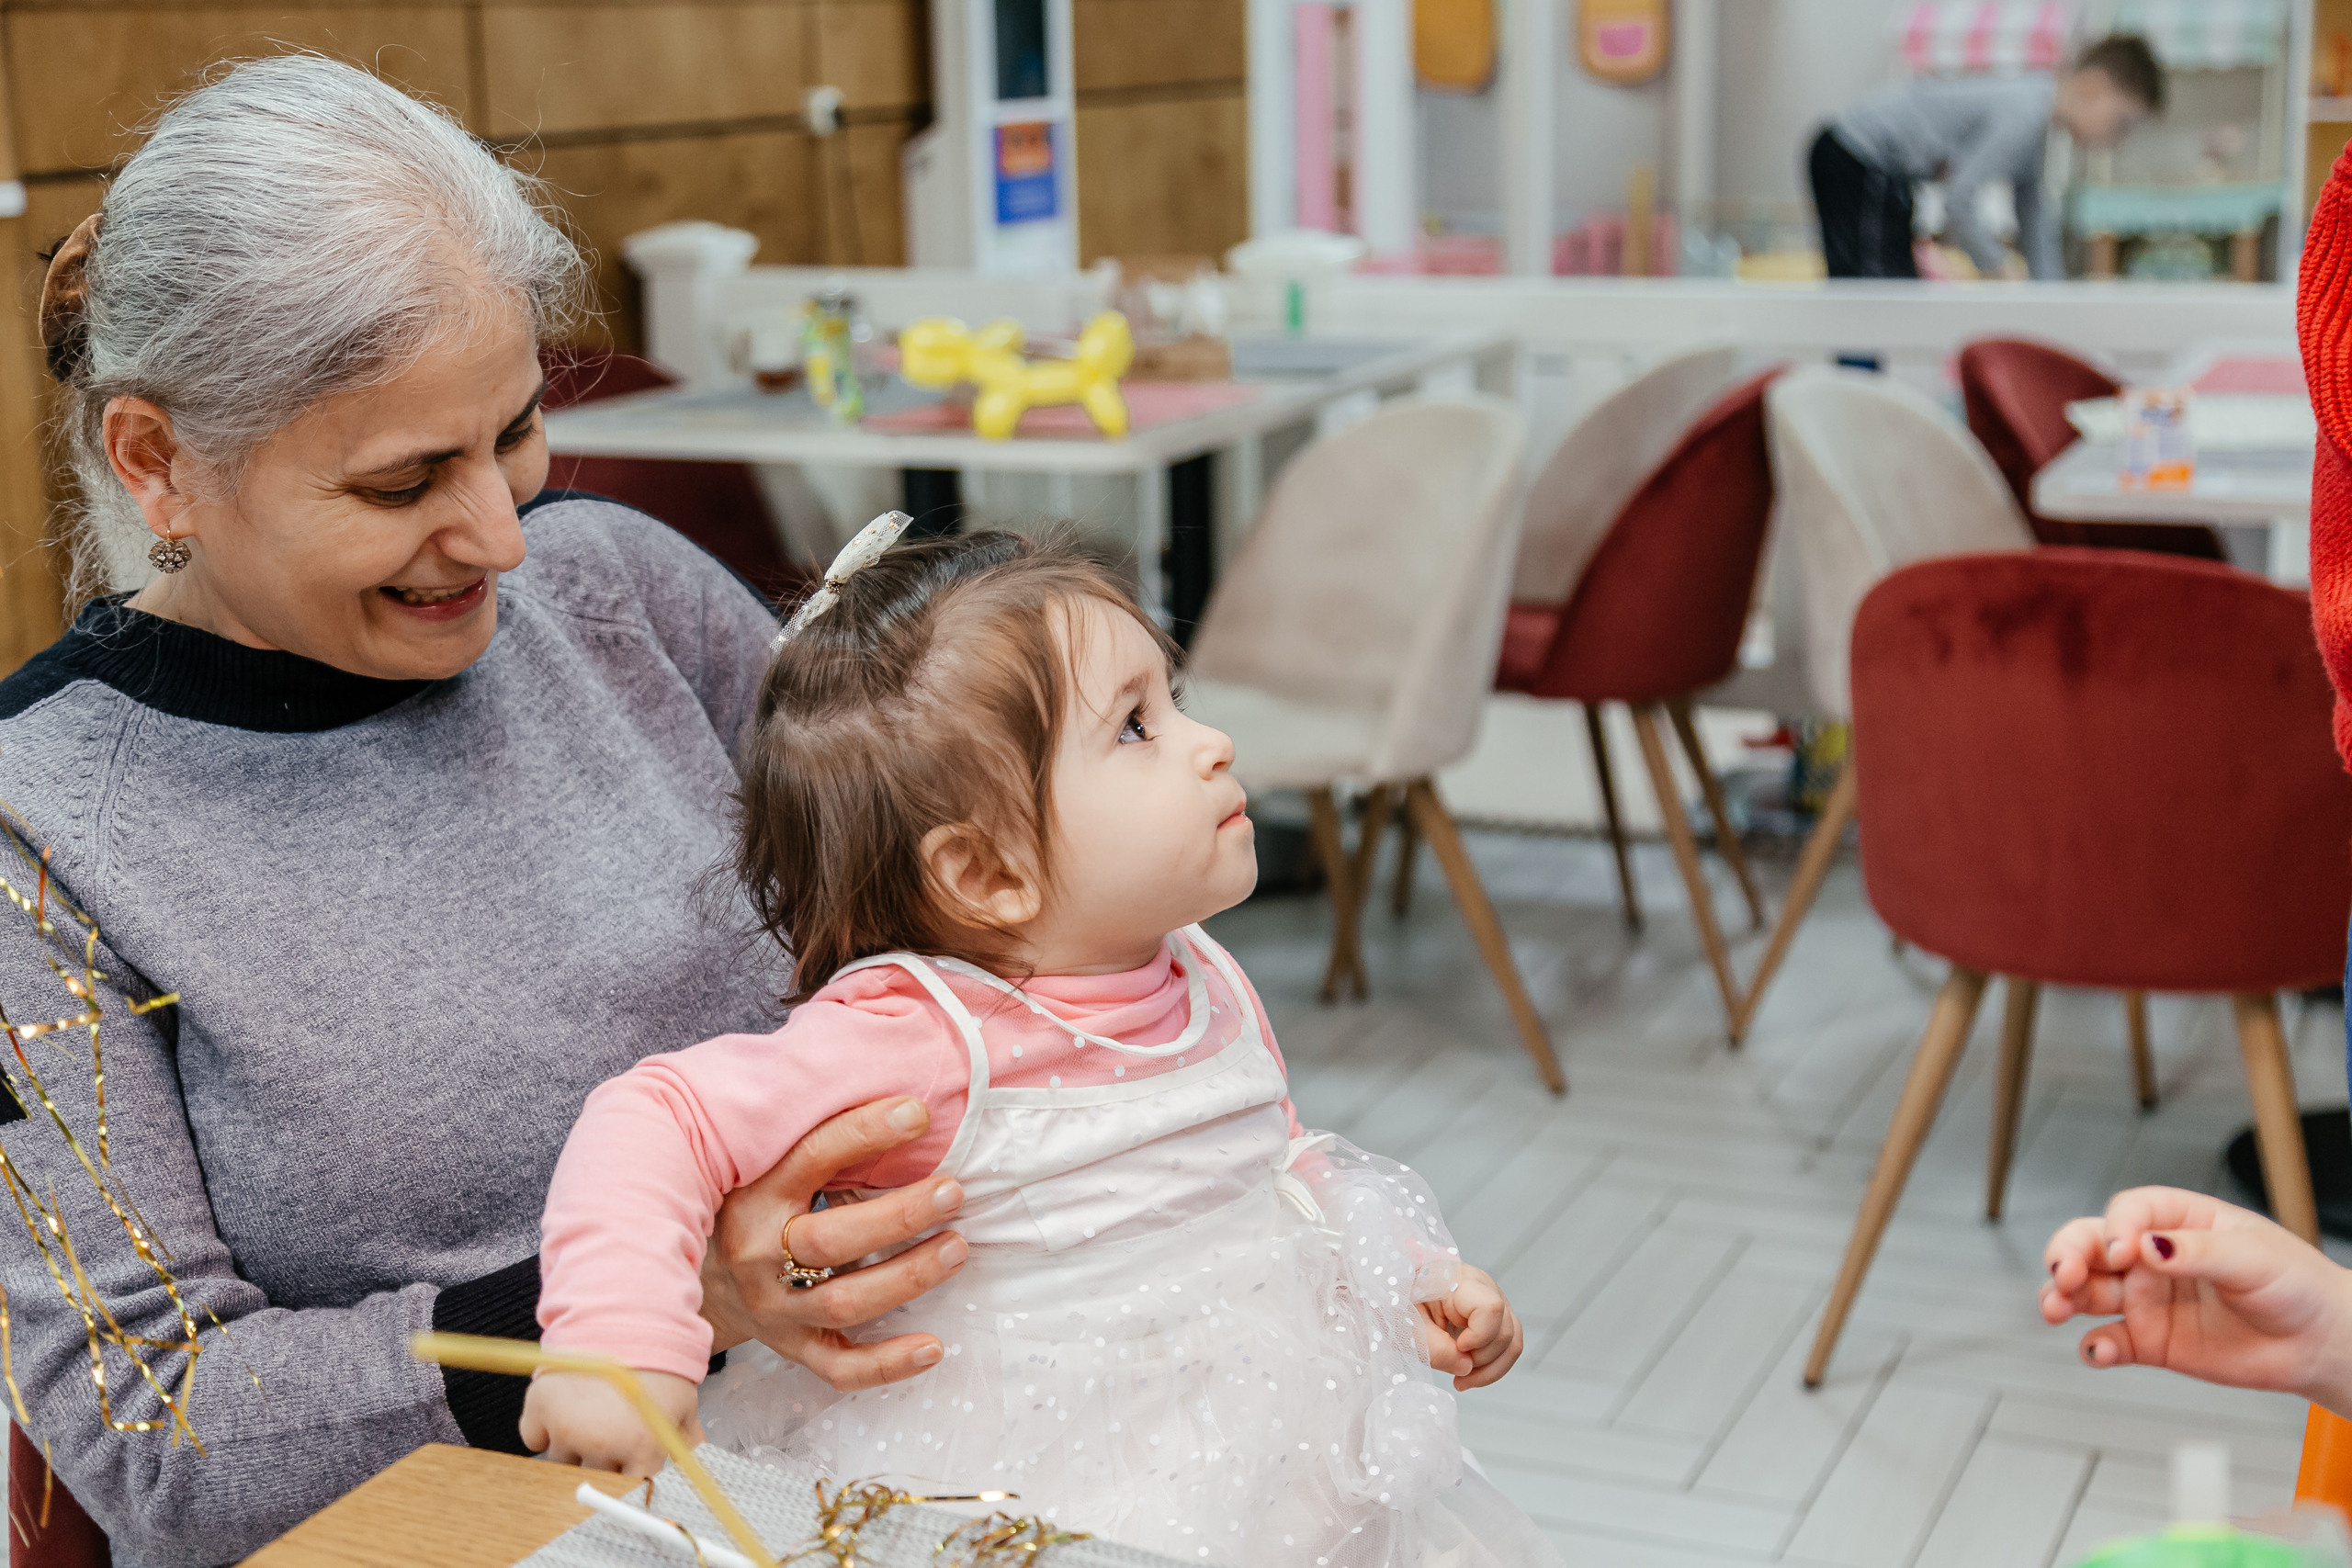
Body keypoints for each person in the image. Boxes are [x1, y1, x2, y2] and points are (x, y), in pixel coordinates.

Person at [0, 55, 968, 1566]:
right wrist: (641, 1297)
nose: (502, 539)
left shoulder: (622, 589)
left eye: (514, 433)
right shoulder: (37, 827)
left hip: (853, 1450)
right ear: (157, 458)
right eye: (405, 483)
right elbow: (149, 1427)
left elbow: (939, 924)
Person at [523, 526, 1555, 1568]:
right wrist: (618, 1341)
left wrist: (1406, 1277)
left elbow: (1267, 1166)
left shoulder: (1196, 971)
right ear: (985, 875)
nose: (1212, 743)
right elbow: (654, 1114)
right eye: (1138, 728)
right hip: (1019, 1490)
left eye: (1176, 699)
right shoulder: (920, 1030)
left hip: (1272, 1467)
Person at [1807, 34, 2165, 280]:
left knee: (1895, 281)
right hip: (1856, 153)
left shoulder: (2037, 124)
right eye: (2121, 123)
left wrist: (2053, 301)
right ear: (2092, 87)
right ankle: (1860, 381)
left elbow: (2034, 215)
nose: (2117, 139)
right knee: (1875, 287)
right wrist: (1995, 266)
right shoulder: (2025, 113)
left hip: (1881, 168)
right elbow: (1959, 198)